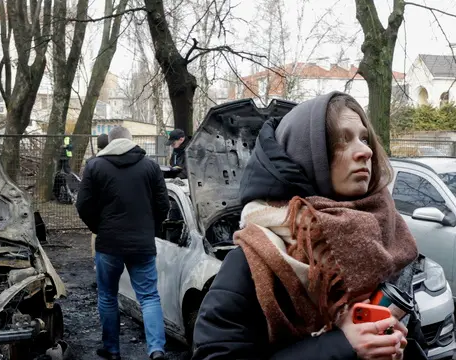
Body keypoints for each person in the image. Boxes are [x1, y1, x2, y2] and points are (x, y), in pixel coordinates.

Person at [191, 92, 427, 360]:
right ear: (305, 156)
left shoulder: (391, 242)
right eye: (342, 140)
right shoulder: (255, 259)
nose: (366, 151)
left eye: (364, 138)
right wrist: (342, 346)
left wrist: (397, 346)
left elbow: (415, 343)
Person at [76, 126, 170, 360]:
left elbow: (83, 205)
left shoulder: (95, 166)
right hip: (142, 244)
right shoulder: (150, 166)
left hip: (108, 244)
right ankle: (156, 350)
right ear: (131, 141)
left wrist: (98, 228)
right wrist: (151, 230)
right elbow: (163, 205)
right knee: (148, 296)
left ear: (109, 142)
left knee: (108, 295)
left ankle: (112, 350)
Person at [87, 133, 110, 262]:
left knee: (96, 236)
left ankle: (96, 262)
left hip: (97, 208)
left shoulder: (92, 162)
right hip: (112, 205)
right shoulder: (115, 159)